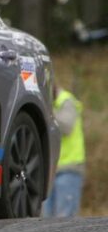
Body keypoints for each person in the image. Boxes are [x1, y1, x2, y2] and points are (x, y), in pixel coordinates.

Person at [42, 85, 86, 218]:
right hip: (49, 171)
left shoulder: (66, 101)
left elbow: (67, 126)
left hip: (68, 168)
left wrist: (47, 111)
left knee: (65, 219)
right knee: (45, 219)